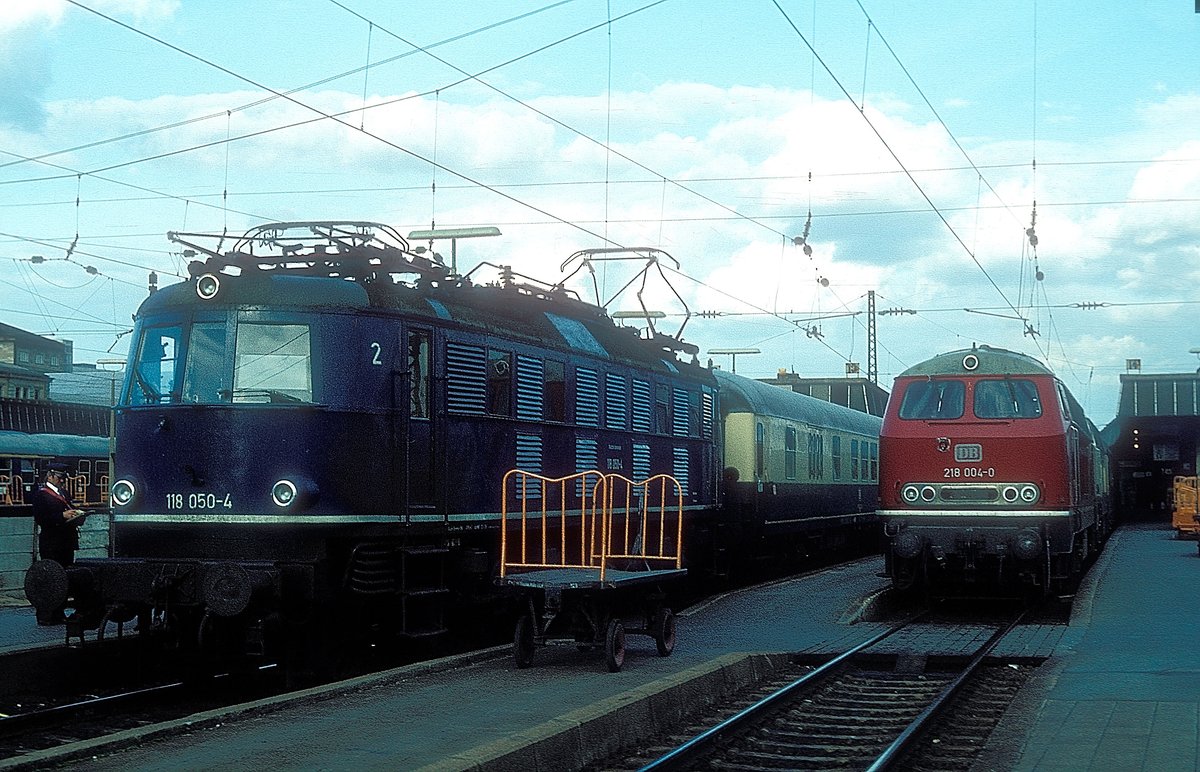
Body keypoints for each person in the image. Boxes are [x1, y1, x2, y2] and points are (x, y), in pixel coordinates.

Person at [30, 462, 87, 625]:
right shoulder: (41, 495)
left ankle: (59, 613)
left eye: (63, 478)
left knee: (63, 579)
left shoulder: (64, 494)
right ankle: (46, 616)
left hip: (66, 543)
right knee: (50, 579)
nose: (62, 481)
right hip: (51, 543)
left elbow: (69, 511)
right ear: (50, 475)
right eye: (60, 478)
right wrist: (62, 516)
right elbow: (42, 519)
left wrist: (77, 515)